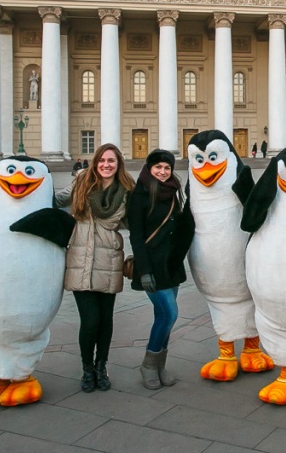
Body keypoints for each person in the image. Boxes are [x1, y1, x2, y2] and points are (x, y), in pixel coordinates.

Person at [54, 144, 135, 393]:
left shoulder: (127, 191)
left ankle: (102, 367)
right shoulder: (81, 182)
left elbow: (138, 224)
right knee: (89, 321)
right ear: (95, 162)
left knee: (105, 320)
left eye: (111, 161)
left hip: (109, 259)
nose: (106, 165)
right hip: (81, 257)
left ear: (118, 164)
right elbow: (57, 200)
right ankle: (87, 368)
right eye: (102, 160)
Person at [127, 149, 194, 389]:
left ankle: (159, 365)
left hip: (171, 265)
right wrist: (143, 271)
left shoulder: (174, 191)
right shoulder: (139, 196)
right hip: (152, 267)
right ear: (149, 168)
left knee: (162, 317)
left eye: (167, 168)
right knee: (169, 314)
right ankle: (148, 363)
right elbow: (136, 236)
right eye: (158, 167)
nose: (163, 172)